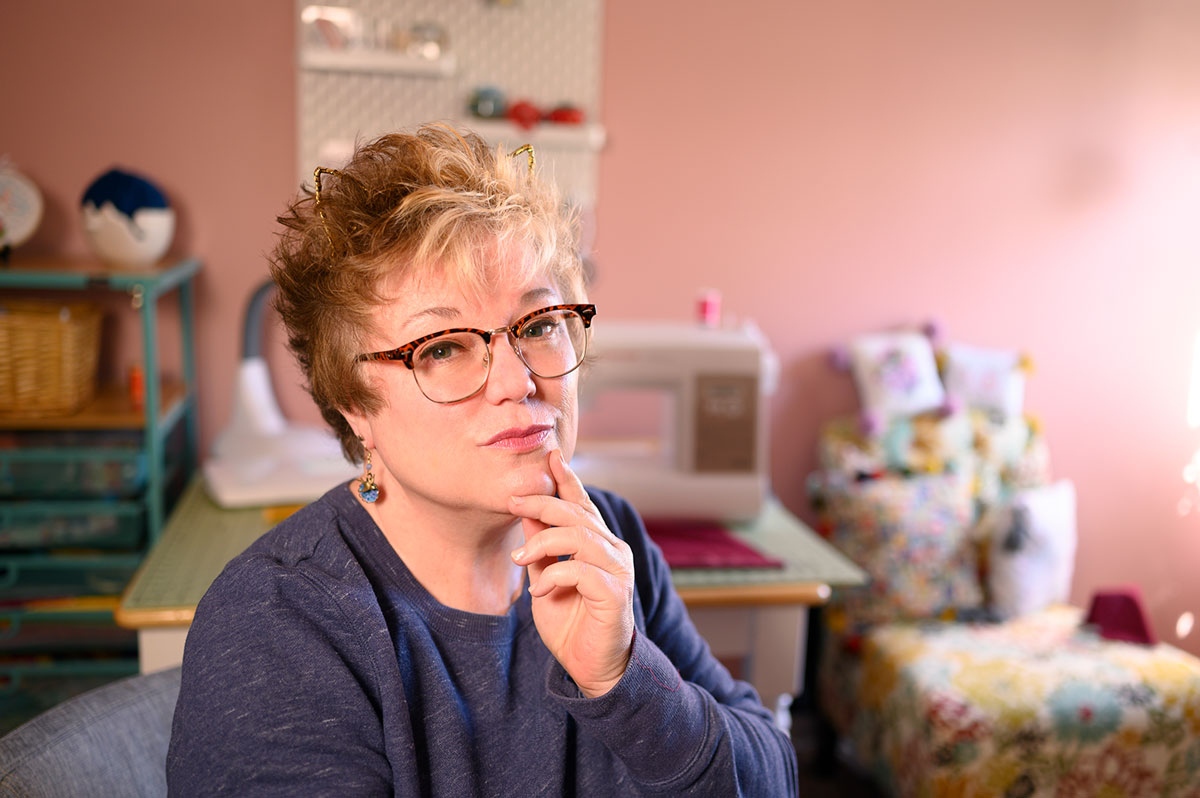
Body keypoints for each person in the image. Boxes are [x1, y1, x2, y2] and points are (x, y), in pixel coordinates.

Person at [166, 125, 798, 796]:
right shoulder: (278, 619)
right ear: (354, 405)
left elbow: (775, 780)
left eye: (538, 325)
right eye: (441, 347)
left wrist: (626, 679)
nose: (517, 380)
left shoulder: (609, 539)